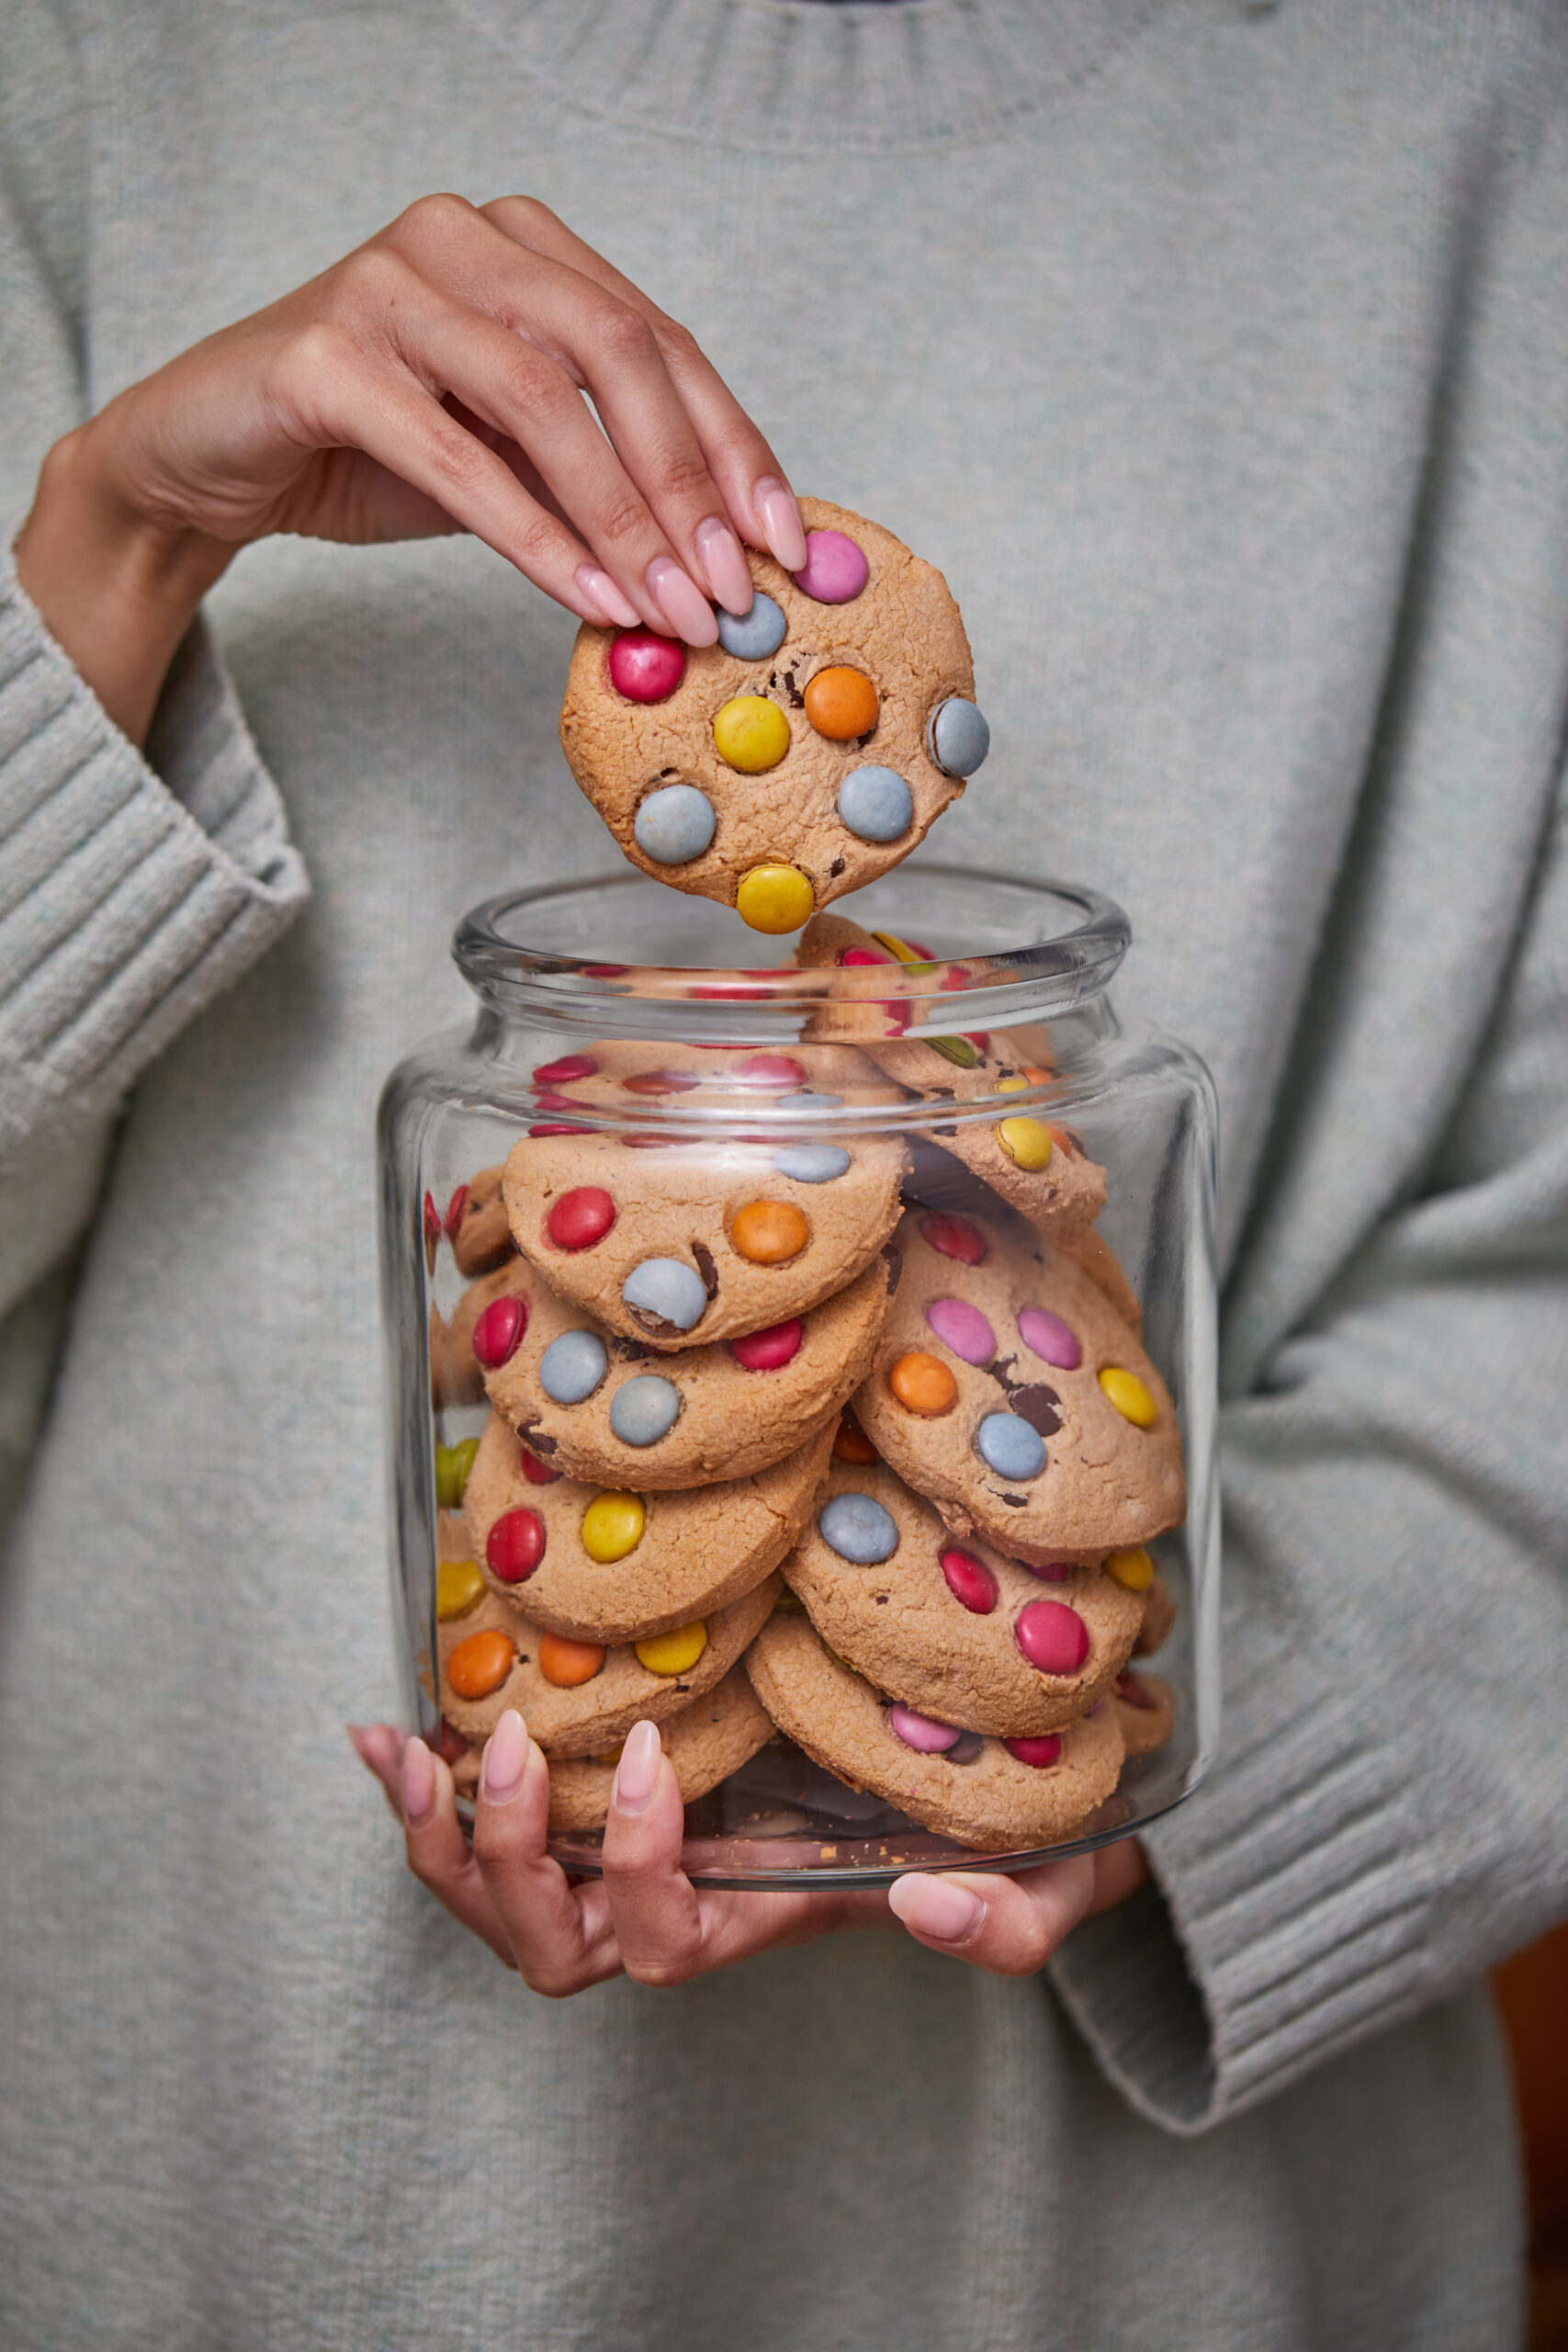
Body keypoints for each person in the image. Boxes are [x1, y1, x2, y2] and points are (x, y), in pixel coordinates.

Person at [2, 1, 1564, 2343]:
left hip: (1160, 2250)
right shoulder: (82, 64)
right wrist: (108, 542)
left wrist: (1177, 1754)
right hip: (256, 2162)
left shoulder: (1484, 103)